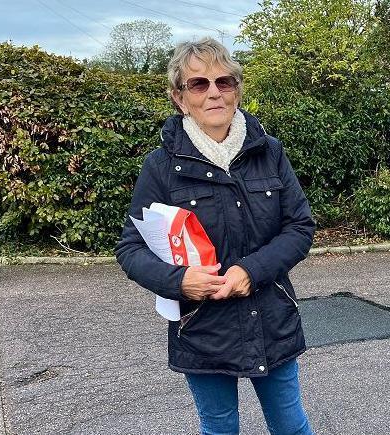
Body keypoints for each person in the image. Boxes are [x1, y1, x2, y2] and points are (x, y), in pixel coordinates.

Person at [114, 37, 315, 435]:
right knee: (219, 428)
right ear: (179, 97)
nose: (213, 93)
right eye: (198, 84)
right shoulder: (161, 166)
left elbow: (300, 227)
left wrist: (251, 270)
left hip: (271, 318)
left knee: (291, 426)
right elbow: (130, 246)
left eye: (224, 82)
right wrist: (179, 281)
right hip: (202, 327)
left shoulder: (269, 152)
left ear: (237, 91)